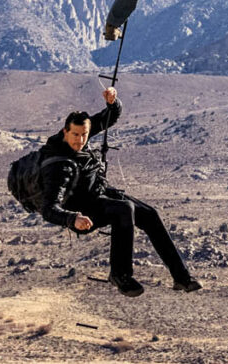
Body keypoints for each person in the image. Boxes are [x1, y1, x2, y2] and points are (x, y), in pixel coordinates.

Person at [31, 84, 199, 297]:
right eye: (75, 135)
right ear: (65, 132)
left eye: (84, 135)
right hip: (82, 211)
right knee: (124, 209)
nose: (80, 140)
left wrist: (113, 102)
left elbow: (108, 118)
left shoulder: (81, 136)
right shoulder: (58, 165)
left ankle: (181, 277)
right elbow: (49, 208)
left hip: (97, 195)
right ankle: (120, 275)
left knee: (149, 214)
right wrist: (72, 219)